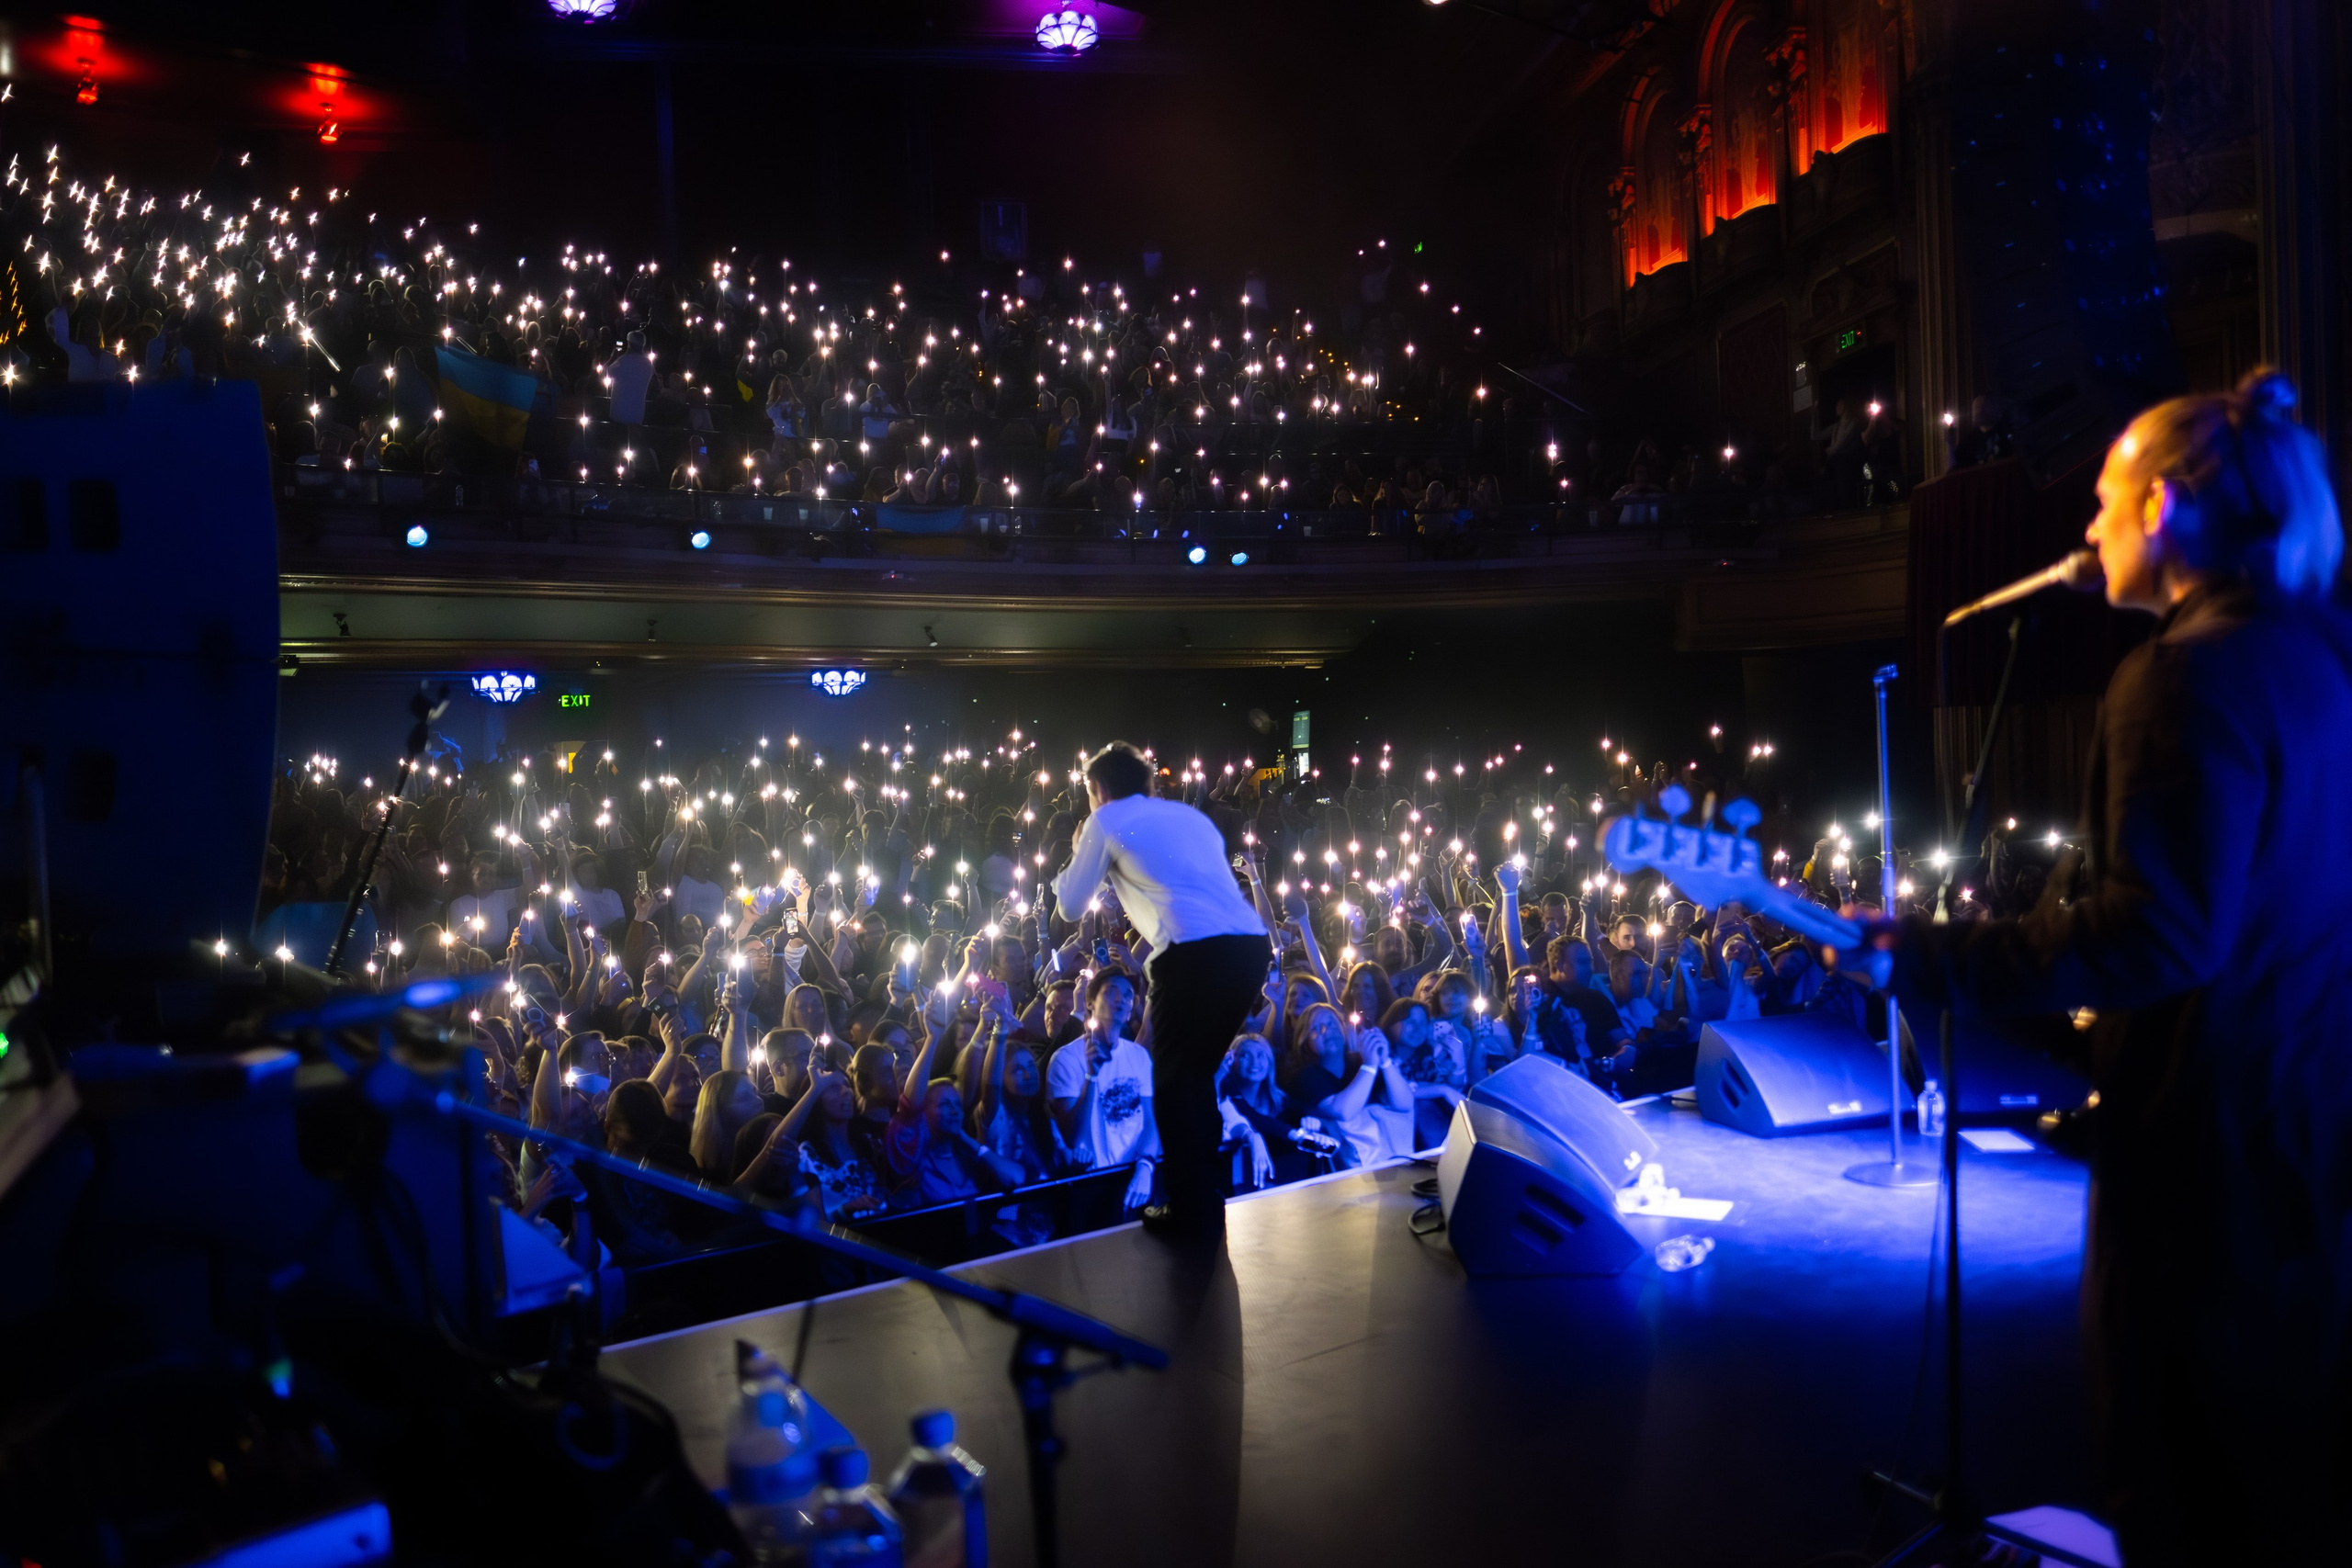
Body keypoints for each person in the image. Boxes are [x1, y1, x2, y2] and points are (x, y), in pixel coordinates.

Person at [1872, 368, 2350, 1563]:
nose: (2084, 528)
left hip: (2204, 1170)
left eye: (2101, 497)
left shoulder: (2182, 676)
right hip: (2308, 1145)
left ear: (2162, 510)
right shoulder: (2316, 655)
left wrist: (1936, 956)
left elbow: (2158, 933)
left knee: (2183, 1488)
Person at [1050, 741, 1271, 1241]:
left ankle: (1191, 1210)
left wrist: (1080, 848)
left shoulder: (1104, 820)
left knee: (1174, 1083)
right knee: (1195, 1078)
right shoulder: (1186, 818)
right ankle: (1204, 1200)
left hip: (1192, 954)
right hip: (1248, 950)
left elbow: (1069, 904)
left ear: (1098, 789)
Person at [1043, 966, 1158, 1213]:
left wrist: (1145, 1166)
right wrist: (1092, 1076)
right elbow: (1072, 1135)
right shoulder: (1065, 1059)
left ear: (1130, 1012)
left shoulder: (1138, 1056)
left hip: (1137, 1177)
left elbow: (1149, 1121)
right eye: (1111, 993)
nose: (1121, 999)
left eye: (1127, 996)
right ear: (1090, 1004)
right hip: (1091, 1184)